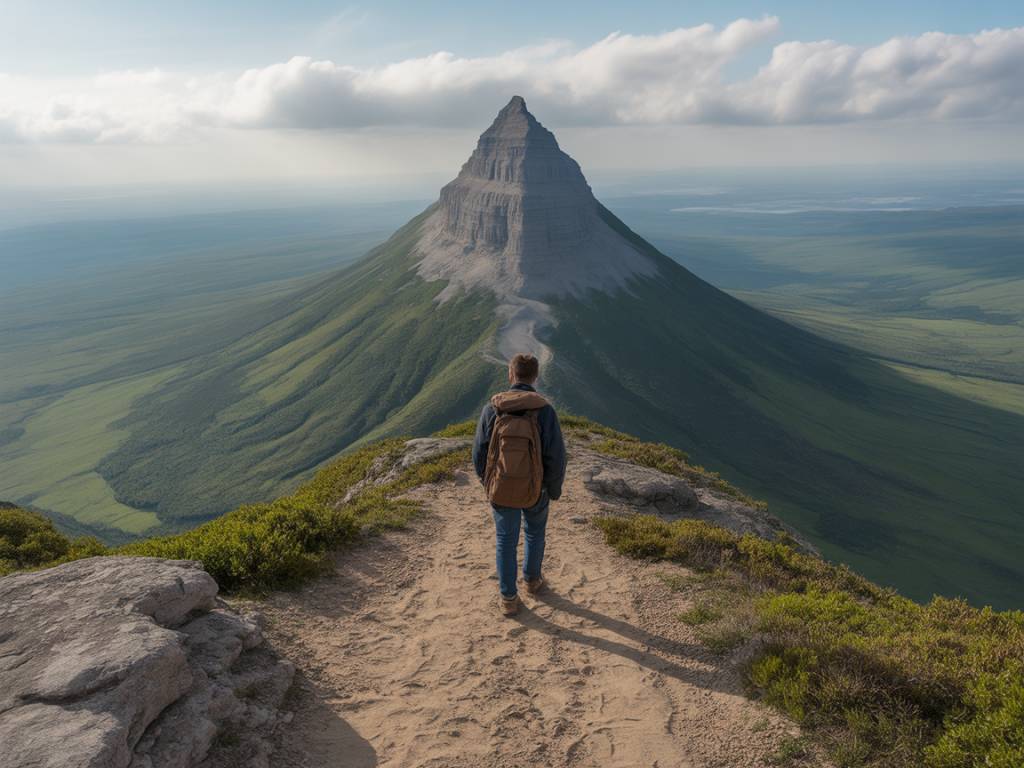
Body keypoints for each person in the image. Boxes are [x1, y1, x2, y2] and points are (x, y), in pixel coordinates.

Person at [472, 353, 567, 616]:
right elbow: (556, 456)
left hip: (501, 488)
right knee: (534, 533)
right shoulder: (544, 411)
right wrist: (552, 488)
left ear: (511, 375)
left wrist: (488, 482)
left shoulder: (492, 409)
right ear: (535, 377)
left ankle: (508, 598)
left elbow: (479, 452)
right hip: (537, 489)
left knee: (505, 540)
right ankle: (532, 581)